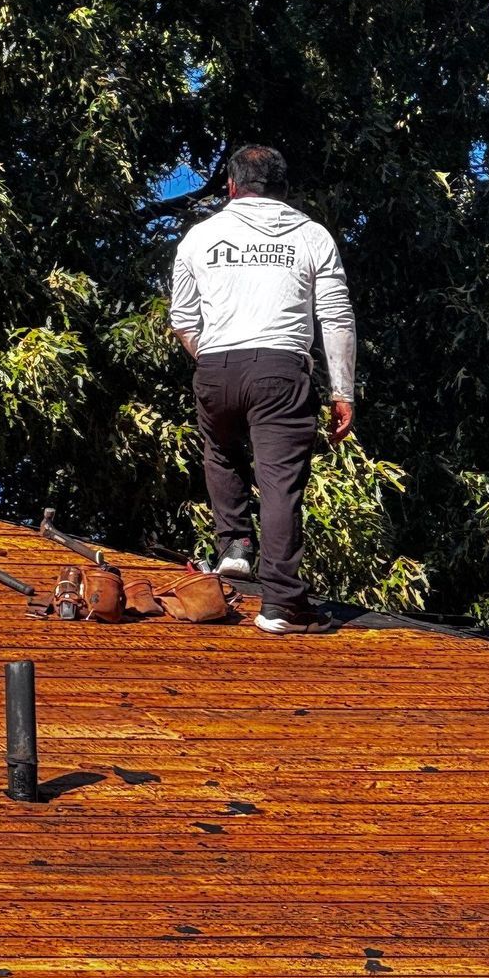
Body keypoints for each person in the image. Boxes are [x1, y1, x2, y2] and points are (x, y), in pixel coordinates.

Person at [169, 145, 356, 634]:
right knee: (280, 483)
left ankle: (234, 546)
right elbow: (335, 316)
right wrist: (343, 391)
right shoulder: (311, 236)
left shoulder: (200, 237)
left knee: (221, 451)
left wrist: (215, 359)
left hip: (214, 365)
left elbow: (183, 319)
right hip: (280, 369)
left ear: (231, 186)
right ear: (283, 187)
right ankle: (281, 606)